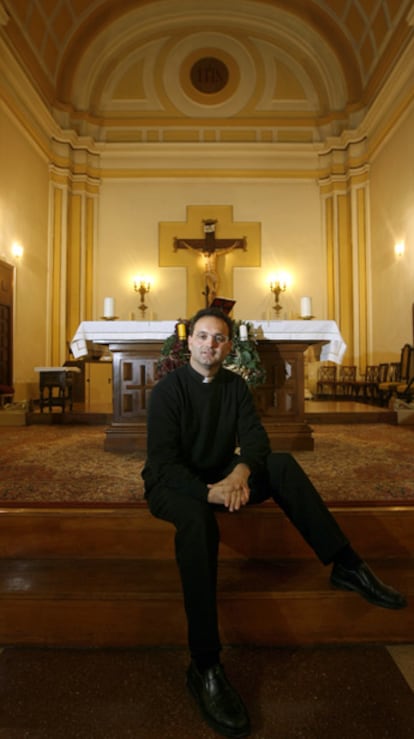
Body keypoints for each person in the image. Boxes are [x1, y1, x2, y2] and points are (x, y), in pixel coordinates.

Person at [142, 307, 407, 739]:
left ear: (229, 346)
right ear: (188, 342)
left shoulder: (234, 387)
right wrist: (210, 491)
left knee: (281, 465)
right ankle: (205, 665)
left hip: (223, 476)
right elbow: (163, 464)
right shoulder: (168, 391)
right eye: (203, 337)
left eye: (219, 339)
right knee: (196, 521)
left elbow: (257, 440)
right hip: (174, 486)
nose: (211, 345)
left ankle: (346, 564)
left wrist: (240, 473)